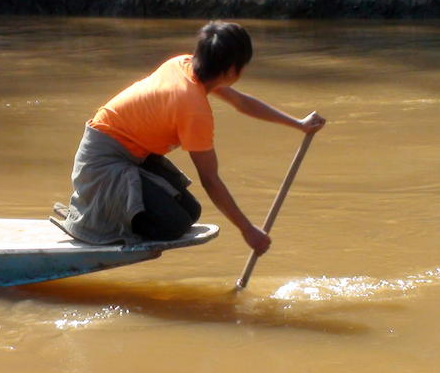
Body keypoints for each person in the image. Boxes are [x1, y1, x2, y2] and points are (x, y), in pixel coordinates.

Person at [59, 21, 325, 255]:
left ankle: (120, 209)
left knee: (190, 213)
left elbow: (242, 103)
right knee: (173, 225)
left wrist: (298, 124)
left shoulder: (184, 64)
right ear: (232, 71)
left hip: (127, 154)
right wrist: (248, 230)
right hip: (103, 164)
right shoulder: (193, 108)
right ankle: (100, 219)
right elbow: (210, 180)